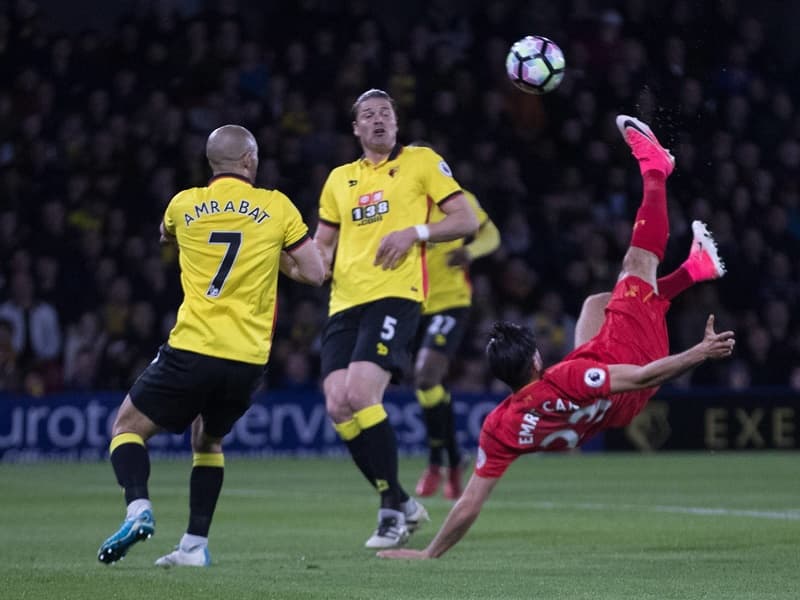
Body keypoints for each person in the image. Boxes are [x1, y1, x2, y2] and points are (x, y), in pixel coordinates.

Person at [377, 115, 735, 560]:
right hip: (632, 370)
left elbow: (470, 502)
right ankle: (657, 169)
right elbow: (642, 377)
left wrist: (429, 554)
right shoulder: (570, 378)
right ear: (535, 362)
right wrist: (699, 352)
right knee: (637, 265)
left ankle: (695, 269)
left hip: (601, 408)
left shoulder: (499, 426)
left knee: (595, 304)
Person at [97, 124, 325, 567]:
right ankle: (194, 547)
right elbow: (315, 273)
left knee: (127, 427)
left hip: (194, 347)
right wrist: (268, 251)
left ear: (211, 163)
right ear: (250, 160)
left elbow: (167, 237)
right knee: (208, 441)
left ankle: (138, 508)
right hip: (247, 360)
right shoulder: (276, 207)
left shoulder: (183, 204)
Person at [313, 89, 479, 549]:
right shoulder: (338, 180)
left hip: (396, 294)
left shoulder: (423, 162)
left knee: (361, 393)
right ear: (356, 129)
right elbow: (322, 246)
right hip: (344, 302)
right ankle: (403, 502)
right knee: (336, 404)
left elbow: (465, 220)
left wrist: (415, 232)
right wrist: (301, 262)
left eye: (385, 112)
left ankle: (389, 513)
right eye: (368, 115)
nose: (378, 120)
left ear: (397, 122)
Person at [409, 143, 501, 500]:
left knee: (426, 375)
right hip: (410, 302)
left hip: (450, 302)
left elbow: (491, 234)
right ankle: (452, 459)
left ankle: (436, 462)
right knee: (428, 387)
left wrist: (471, 251)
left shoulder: (460, 200)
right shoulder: (404, 201)